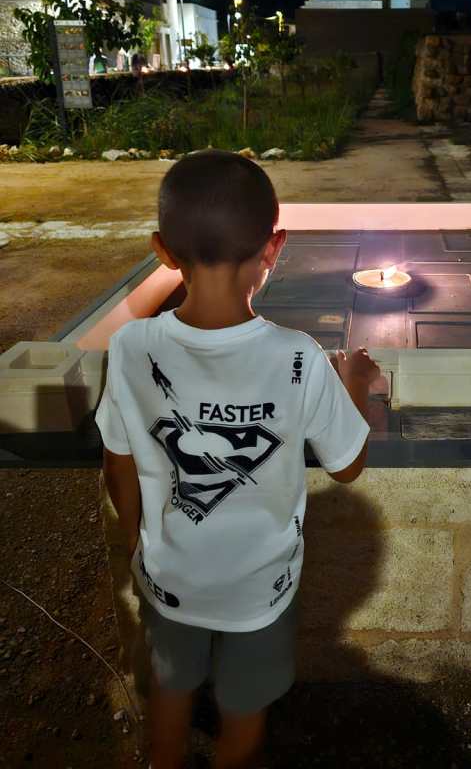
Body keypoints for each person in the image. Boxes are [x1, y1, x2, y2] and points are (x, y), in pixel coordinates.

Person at [96, 150, 379, 769]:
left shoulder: (131, 346)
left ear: (162, 251)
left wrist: (142, 541)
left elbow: (119, 466)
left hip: (169, 577)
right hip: (259, 590)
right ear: (274, 247)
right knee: (243, 716)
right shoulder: (298, 358)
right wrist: (355, 384)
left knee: (169, 692)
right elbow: (347, 465)